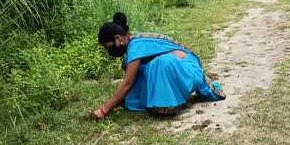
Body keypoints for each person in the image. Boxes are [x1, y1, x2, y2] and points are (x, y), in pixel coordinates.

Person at [91, 13, 226, 120]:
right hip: (182, 72)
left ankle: (170, 103)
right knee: (145, 69)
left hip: (189, 72)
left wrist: (104, 110)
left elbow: (127, 83)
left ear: (118, 38)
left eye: (107, 46)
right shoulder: (135, 44)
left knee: (161, 63)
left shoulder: (136, 46)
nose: (109, 51)